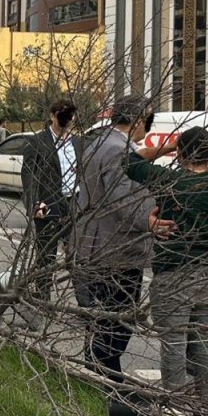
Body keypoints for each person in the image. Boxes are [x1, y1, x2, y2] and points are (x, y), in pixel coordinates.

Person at [125, 126, 208, 403]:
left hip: (171, 275)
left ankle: (176, 403)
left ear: (181, 154)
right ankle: (207, 403)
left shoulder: (168, 181)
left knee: (174, 345)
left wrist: (170, 146)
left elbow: (130, 161)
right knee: (206, 345)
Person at [71, 95, 162, 382]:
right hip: (115, 249)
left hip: (98, 244)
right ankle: (106, 377)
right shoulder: (116, 149)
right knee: (117, 320)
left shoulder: (102, 142)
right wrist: (149, 221)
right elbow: (122, 198)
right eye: (148, 119)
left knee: (104, 319)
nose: (148, 125)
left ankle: (99, 372)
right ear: (137, 119)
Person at [20, 99, 82, 311]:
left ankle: (85, 304)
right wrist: (33, 204)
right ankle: (43, 299)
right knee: (46, 256)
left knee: (76, 255)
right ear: (52, 116)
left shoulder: (78, 143)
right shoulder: (37, 141)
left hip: (73, 203)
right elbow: (28, 175)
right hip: (48, 204)